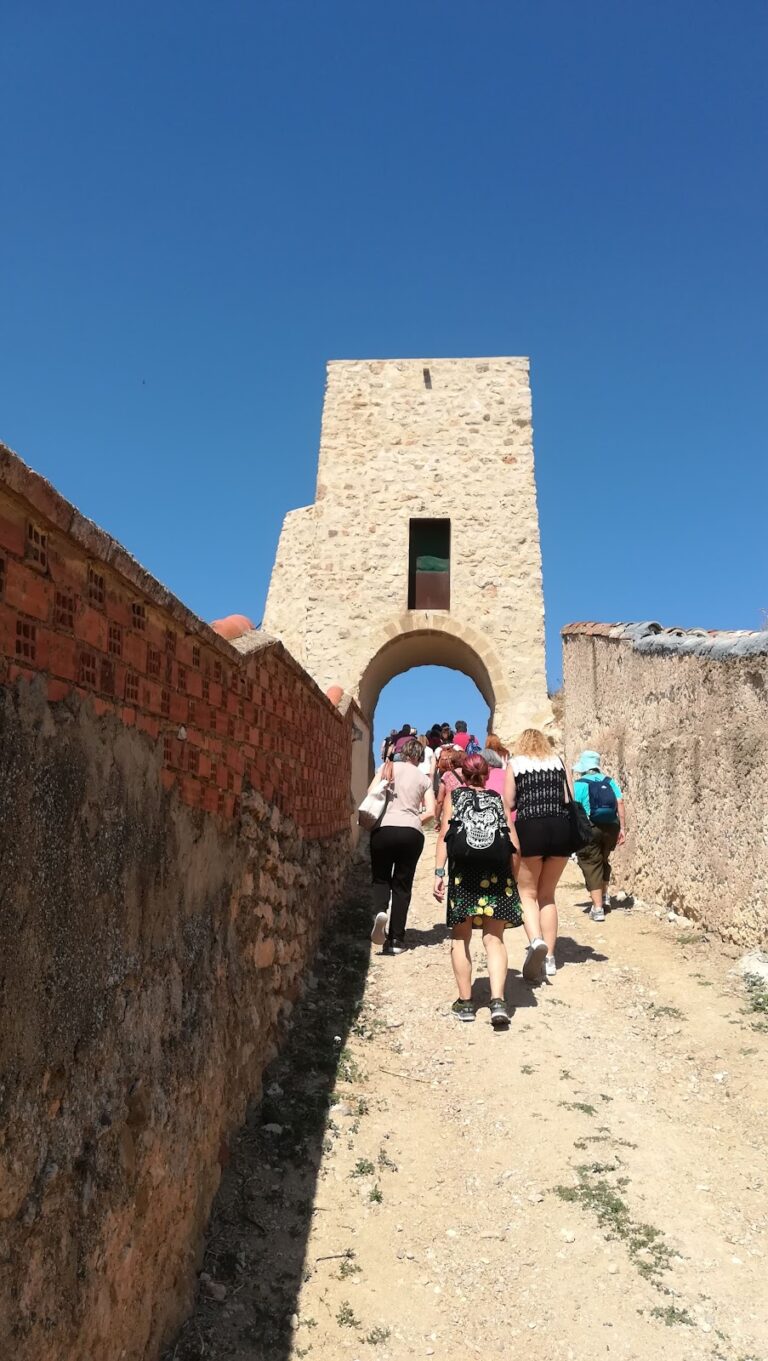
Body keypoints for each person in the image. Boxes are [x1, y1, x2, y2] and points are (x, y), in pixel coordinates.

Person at [433, 753, 522, 1027]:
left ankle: (466, 1003)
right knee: (494, 939)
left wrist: (439, 873)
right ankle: (498, 1002)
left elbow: (444, 836)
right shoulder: (498, 799)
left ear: (463, 773)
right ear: (486, 775)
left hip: (464, 875)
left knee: (461, 937)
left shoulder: (455, 797)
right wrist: (513, 878)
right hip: (497, 875)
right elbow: (514, 845)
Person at [503, 728, 573, 982]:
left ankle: (536, 941)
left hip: (530, 829)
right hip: (561, 829)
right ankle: (551, 958)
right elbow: (569, 798)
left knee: (527, 893)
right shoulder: (559, 762)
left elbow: (508, 802)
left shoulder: (515, 764)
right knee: (547, 895)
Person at [369, 738, 436, 955]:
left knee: (381, 877)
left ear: (403, 752)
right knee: (402, 885)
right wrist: (414, 819)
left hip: (384, 829)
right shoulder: (424, 779)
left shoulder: (387, 768)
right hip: (411, 832)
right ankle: (396, 940)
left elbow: (370, 793)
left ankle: (380, 912)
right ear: (420, 757)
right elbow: (431, 811)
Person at [572, 751, 626, 922]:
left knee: (591, 864)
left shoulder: (579, 784)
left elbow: (574, 808)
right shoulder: (609, 781)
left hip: (590, 828)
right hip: (611, 827)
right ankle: (603, 897)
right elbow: (620, 802)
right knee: (603, 860)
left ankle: (597, 908)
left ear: (583, 768)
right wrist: (622, 828)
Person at [435, 747, 465, 828]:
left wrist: (437, 819)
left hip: (452, 812)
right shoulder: (468, 774)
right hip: (467, 813)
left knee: (452, 831)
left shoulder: (447, 775)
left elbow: (440, 801)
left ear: (452, 762)